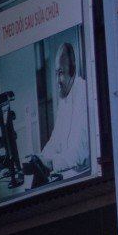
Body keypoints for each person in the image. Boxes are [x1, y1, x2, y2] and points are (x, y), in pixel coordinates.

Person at [37, 40, 91, 178]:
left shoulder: (84, 93)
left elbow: (80, 154)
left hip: (83, 177)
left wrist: (51, 163)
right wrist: (40, 158)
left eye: (60, 73)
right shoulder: (64, 101)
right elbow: (55, 141)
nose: (57, 81)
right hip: (67, 173)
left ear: (72, 70)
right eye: (56, 73)